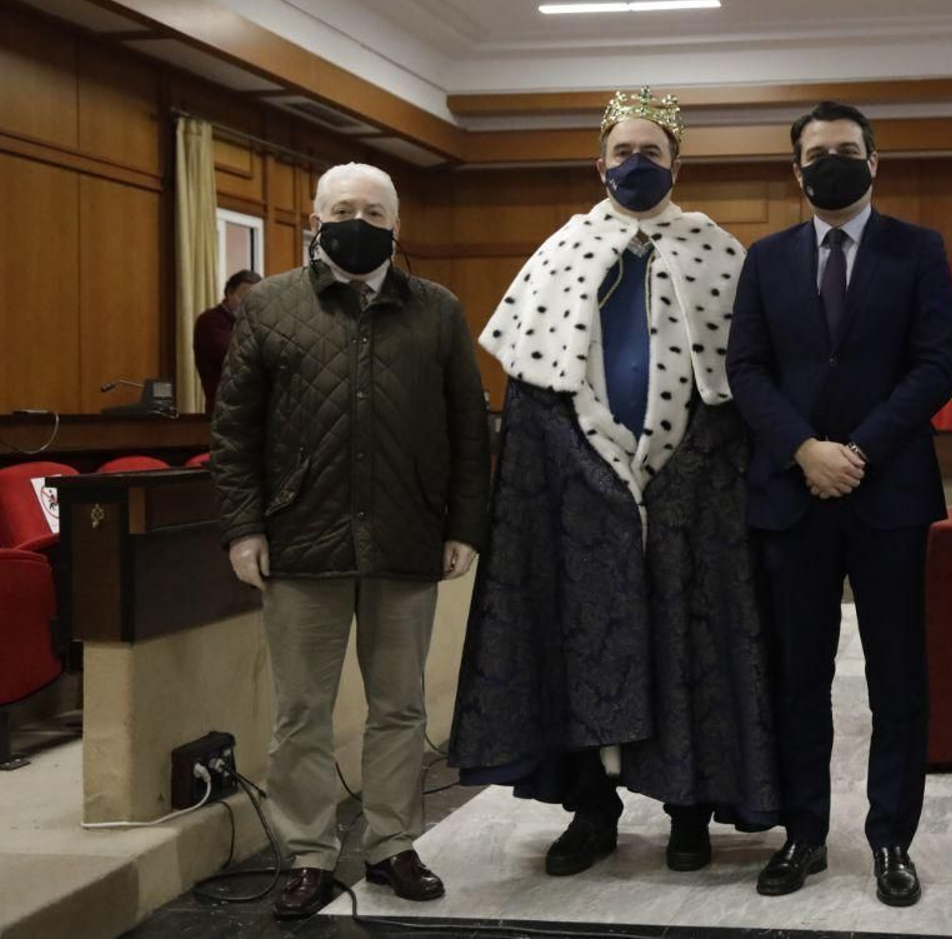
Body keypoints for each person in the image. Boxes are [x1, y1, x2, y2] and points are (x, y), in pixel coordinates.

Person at [450, 88, 781, 878]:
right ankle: (591, 812)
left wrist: (694, 460)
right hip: (580, 491)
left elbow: (745, 379)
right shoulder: (560, 251)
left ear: (678, 164)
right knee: (578, 646)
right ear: (599, 163)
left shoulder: (718, 250)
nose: (637, 165)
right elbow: (532, 388)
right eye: (624, 152)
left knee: (689, 645)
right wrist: (578, 461)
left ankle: (689, 810)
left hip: (691, 491)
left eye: (653, 153)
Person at [210, 162, 490, 920]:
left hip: (408, 538)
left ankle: (392, 842)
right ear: (314, 219)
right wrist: (244, 529)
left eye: (373, 210)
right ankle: (307, 853)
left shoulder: (436, 309)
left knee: (399, 708)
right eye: (342, 209)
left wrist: (464, 524)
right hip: (302, 540)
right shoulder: (268, 307)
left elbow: (470, 427)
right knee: (301, 712)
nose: (357, 221)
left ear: (396, 227)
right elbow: (233, 435)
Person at [727, 100, 952, 908]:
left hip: (887, 493)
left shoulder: (919, 250)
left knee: (898, 677)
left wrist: (855, 451)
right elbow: (746, 370)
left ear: (874, 161)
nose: (834, 161)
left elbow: (936, 366)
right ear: (796, 170)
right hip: (791, 497)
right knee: (799, 675)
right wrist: (804, 450)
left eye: (848, 149)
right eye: (818, 152)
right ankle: (803, 834)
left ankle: (891, 837)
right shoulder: (765, 259)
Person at [194, 269, 261, 413]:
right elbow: (234, 357)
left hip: (253, 408)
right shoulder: (210, 321)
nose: (249, 303)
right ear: (230, 293)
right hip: (223, 408)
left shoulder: (254, 322)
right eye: (244, 296)